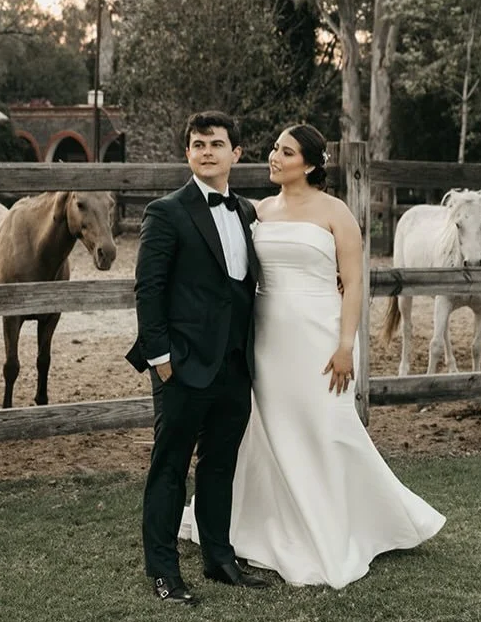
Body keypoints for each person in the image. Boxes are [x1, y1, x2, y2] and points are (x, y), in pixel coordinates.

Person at [182, 122, 444, 588]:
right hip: (269, 336)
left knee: (327, 427)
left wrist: (345, 345)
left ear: (309, 163)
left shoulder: (335, 212)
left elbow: (355, 281)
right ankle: (267, 524)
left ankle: (345, 525)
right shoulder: (259, 210)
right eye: (274, 150)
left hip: (322, 335)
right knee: (272, 429)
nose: (274, 157)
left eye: (284, 152)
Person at [127, 110, 269, 606]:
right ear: (187, 153)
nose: (206, 151)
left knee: (219, 465)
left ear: (236, 153)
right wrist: (160, 359)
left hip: (234, 364)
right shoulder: (166, 212)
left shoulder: (249, 212)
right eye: (197, 144)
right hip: (182, 363)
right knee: (169, 467)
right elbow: (149, 289)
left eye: (216, 143)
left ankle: (219, 558)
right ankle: (164, 573)